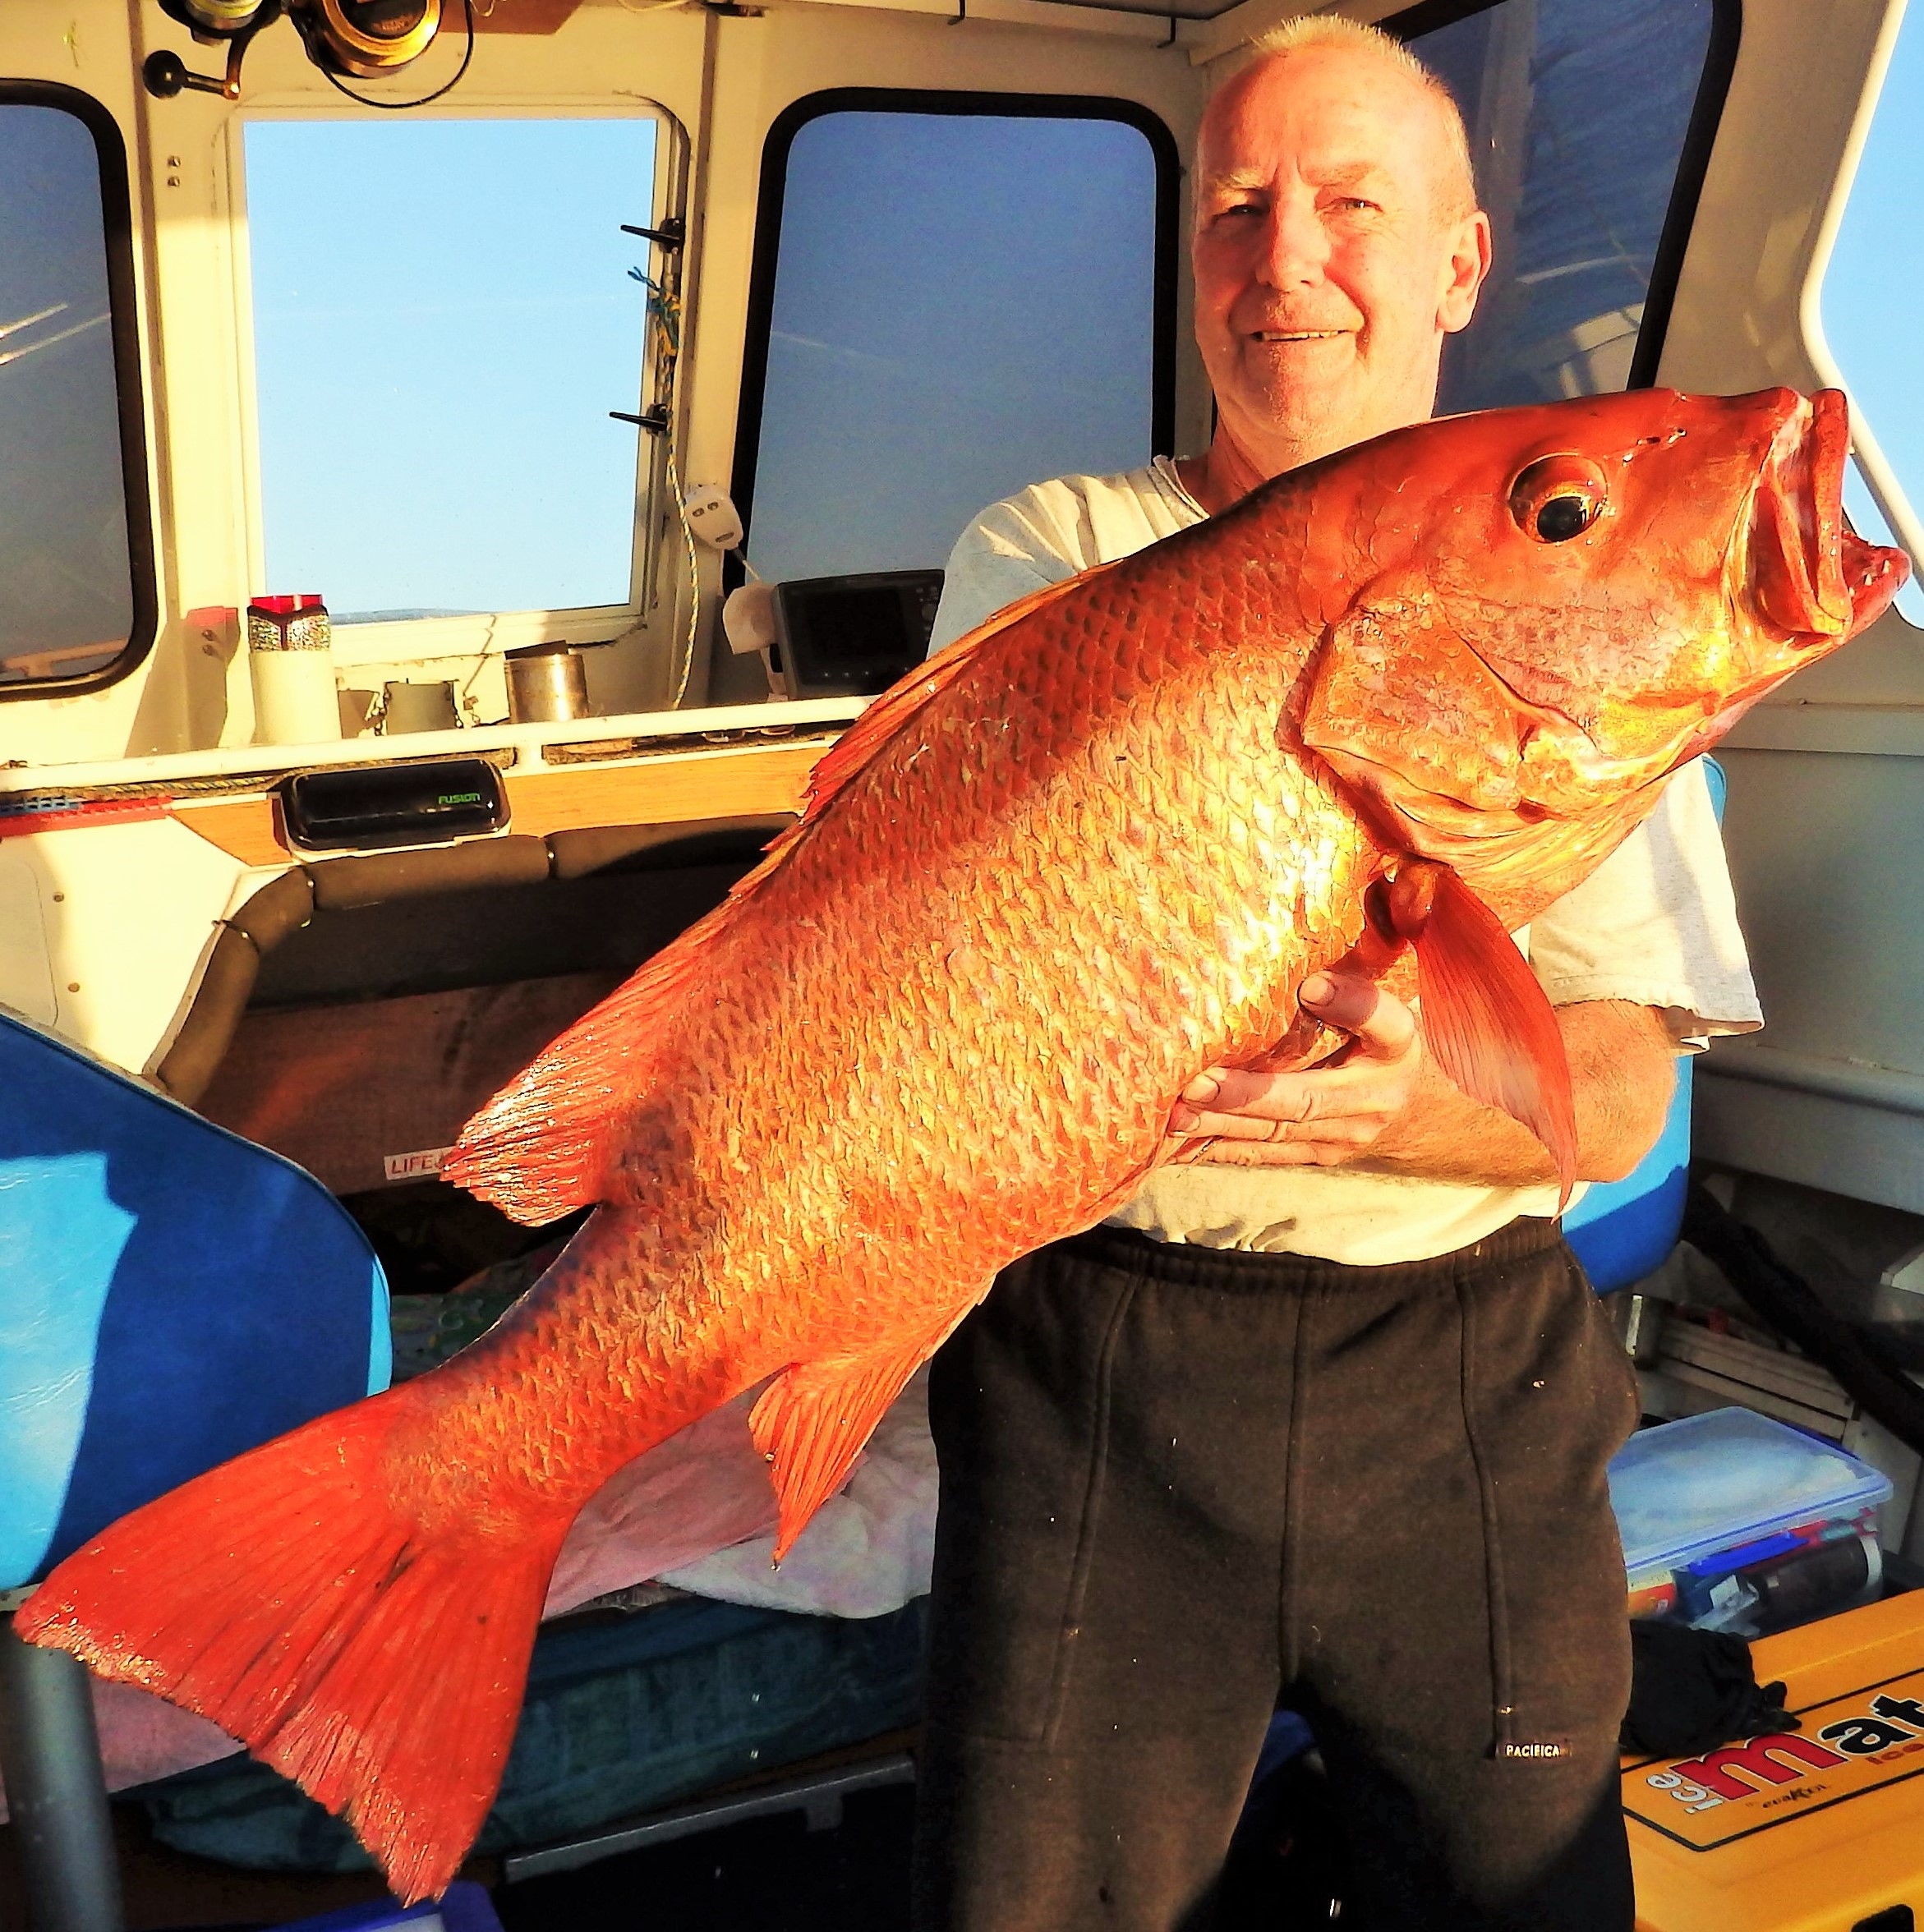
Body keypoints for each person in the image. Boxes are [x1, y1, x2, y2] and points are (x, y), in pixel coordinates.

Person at [908, 18, 1762, 1932]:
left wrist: (1432, 1108)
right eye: (1235, 208)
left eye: (1349, 206)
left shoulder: (1593, 599)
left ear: (1460, 262)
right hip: (1097, 1366)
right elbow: (959, 967)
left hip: (1463, 1379)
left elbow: (1618, 1091)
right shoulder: (1055, 550)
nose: (1282, 258)